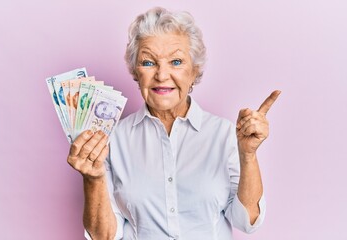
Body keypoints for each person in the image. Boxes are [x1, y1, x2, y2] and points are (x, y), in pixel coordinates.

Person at [67, 7, 280, 240]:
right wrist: (93, 178)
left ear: (194, 72)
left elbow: (247, 221)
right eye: (148, 63)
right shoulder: (111, 140)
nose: (161, 74)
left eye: (176, 61)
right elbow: (104, 236)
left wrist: (248, 155)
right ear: (135, 73)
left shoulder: (225, 134)